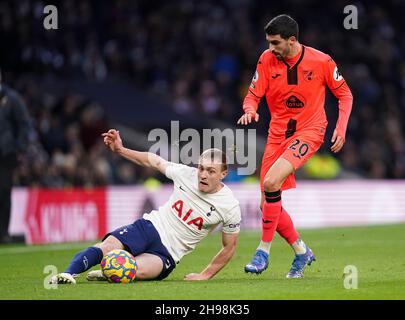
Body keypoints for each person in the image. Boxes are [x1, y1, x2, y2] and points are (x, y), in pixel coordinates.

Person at [237, 14, 353, 278]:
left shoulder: (321, 61)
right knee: (266, 203)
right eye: (268, 42)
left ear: (292, 40)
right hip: (277, 134)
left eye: (275, 43)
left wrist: (341, 127)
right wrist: (249, 109)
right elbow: (253, 94)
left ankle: (262, 251)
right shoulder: (266, 60)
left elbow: (344, 93)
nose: (270, 48)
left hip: (310, 131)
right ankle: (302, 252)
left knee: (270, 183)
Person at [50, 129, 241, 284]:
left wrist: (205, 275)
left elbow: (229, 247)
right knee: (108, 246)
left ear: (223, 174)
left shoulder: (229, 205)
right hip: (149, 227)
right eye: (201, 168)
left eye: (210, 171)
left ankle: (110, 271)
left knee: (134, 270)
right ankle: (68, 274)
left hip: (167, 253)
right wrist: (121, 150)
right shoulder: (186, 174)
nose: (202, 175)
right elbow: (153, 160)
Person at [0, 69, 30, 244]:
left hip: (6, 154)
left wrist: (20, 148)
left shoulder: (11, 99)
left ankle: (3, 233)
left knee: (3, 191)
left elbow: (24, 124)